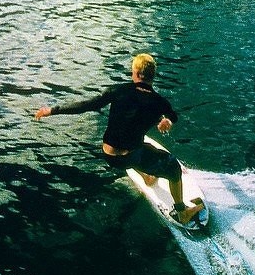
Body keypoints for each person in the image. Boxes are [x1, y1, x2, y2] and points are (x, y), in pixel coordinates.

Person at [34, 53, 204, 225]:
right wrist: (167, 121)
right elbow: (173, 116)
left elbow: (86, 105)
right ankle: (182, 212)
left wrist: (52, 110)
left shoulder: (118, 91)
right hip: (132, 156)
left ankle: (147, 176)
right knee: (173, 167)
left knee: (140, 145)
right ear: (153, 75)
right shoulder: (160, 102)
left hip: (109, 155)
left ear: (136, 73)